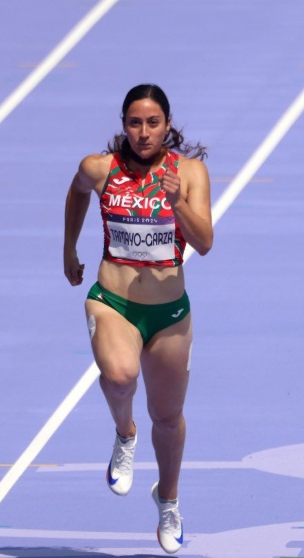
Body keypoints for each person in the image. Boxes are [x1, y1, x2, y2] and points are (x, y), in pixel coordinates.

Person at [63, 84, 212, 554]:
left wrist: (177, 203)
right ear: (123, 125)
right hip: (114, 300)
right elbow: (77, 191)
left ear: (167, 125)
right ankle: (124, 434)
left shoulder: (188, 173)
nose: (143, 132)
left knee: (167, 419)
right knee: (120, 375)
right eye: (134, 123)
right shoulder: (100, 168)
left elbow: (205, 241)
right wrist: (68, 247)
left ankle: (168, 500)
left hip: (169, 313)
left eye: (152, 123)